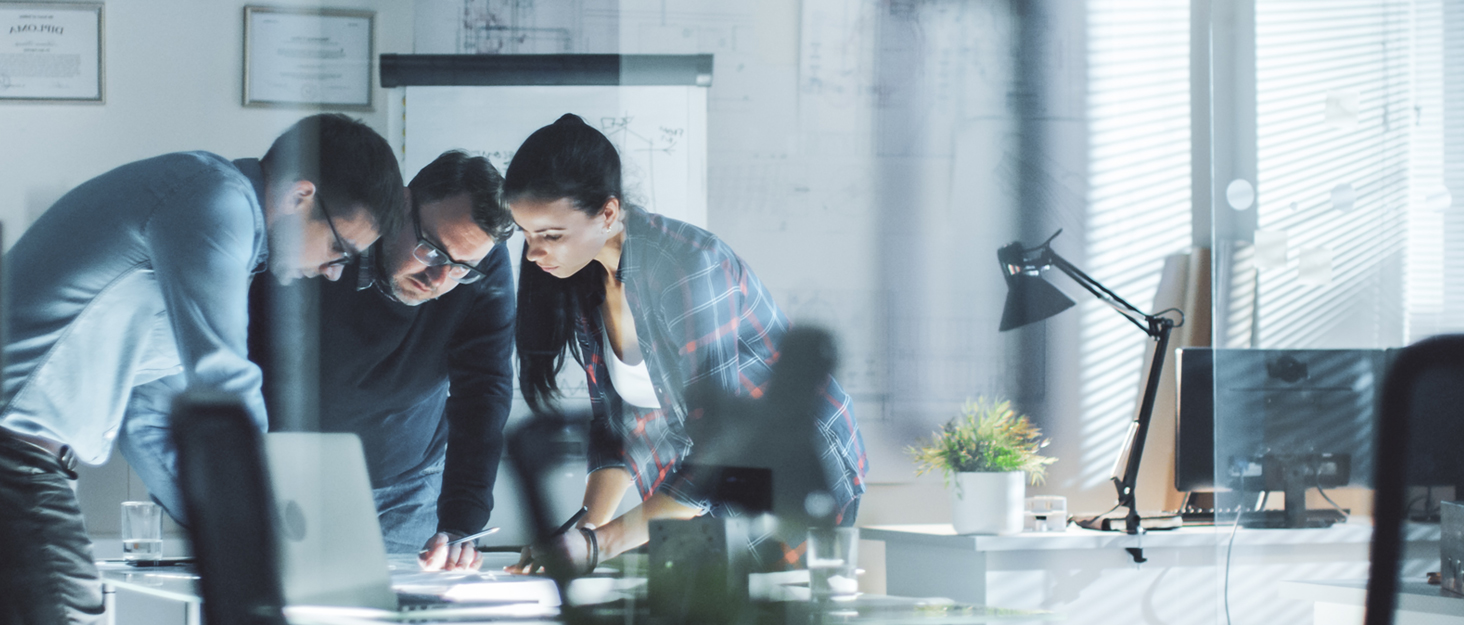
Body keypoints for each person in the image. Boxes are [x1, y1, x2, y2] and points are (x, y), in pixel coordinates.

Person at [0, 113, 406, 624]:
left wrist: (225, 533)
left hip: (32, 462)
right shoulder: (215, 199)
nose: (332, 273)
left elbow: (148, 417)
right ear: (301, 196)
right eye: (338, 249)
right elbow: (223, 380)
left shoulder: (201, 225)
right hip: (15, 459)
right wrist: (277, 525)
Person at [503, 114, 868, 576]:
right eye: (528, 235)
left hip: (787, 481)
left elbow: (720, 441)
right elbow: (612, 432)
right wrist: (582, 531)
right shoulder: (584, 280)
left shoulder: (687, 266)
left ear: (608, 213)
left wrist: (600, 545)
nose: (534, 254)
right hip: (699, 488)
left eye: (550, 235)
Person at [121, 150, 517, 572]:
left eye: (461, 269)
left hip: (406, 483)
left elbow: (484, 391)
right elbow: (225, 363)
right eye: (431, 251)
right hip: (287, 475)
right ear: (400, 204)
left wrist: (461, 521)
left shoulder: (478, 260)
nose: (440, 280)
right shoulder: (322, 240)